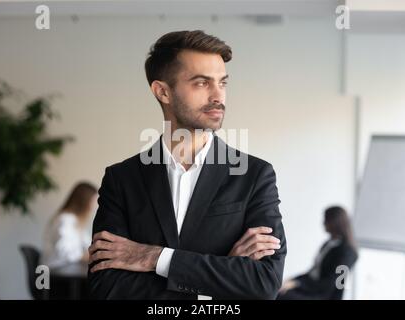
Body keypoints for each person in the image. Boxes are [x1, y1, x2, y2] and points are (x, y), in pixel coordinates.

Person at [88, 30, 287, 300]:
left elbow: (264, 284)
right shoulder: (122, 179)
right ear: (163, 92)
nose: (218, 96)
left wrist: (154, 258)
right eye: (202, 83)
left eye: (223, 83)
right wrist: (219, 278)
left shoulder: (254, 175)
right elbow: (107, 290)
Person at [277, 206, 358, 300]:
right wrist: (293, 280)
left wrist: (298, 284)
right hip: (312, 288)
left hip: (323, 294)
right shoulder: (328, 244)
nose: (323, 223)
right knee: (278, 291)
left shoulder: (347, 253)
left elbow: (330, 283)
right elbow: (313, 272)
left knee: (283, 296)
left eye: (326, 219)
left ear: (335, 222)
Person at [41, 182, 98, 269]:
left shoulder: (76, 221)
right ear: (84, 201)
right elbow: (65, 252)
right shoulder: (65, 220)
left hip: (64, 272)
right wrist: (85, 256)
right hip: (54, 273)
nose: (94, 206)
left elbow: (86, 245)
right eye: (93, 201)